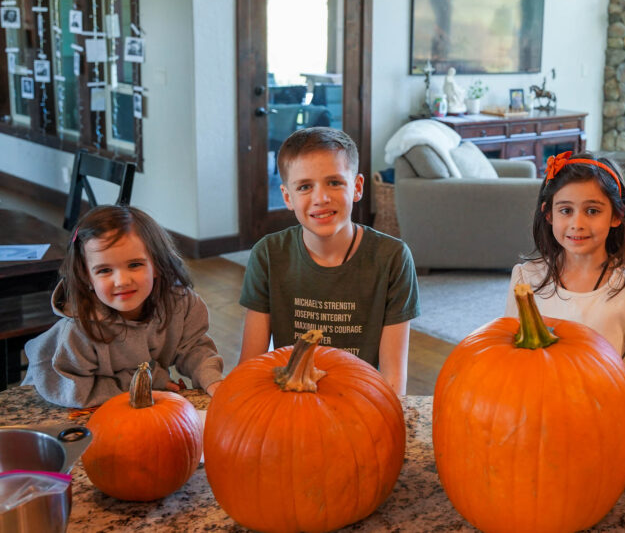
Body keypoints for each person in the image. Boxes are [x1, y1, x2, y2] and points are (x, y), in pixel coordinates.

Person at [238, 127, 419, 394]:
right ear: (287, 197)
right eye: (304, 186)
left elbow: (393, 380)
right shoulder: (268, 254)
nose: (321, 198)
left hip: (361, 403)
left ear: (357, 187)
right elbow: (250, 366)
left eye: (334, 182)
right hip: (291, 403)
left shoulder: (392, 258)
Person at [23, 205, 224, 408]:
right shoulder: (78, 330)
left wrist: (211, 378)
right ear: (87, 277)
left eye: (135, 265)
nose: (121, 281)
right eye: (104, 270)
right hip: (60, 402)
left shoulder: (182, 303)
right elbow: (77, 390)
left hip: (129, 398)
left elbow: (192, 347)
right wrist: (148, 381)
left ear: (156, 264)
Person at [506, 151, 625, 405]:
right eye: (566, 210)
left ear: (616, 216)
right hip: (536, 407)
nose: (577, 223)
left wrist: (605, 396)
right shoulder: (526, 279)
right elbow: (509, 350)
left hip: (601, 412)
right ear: (548, 214)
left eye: (592, 211)